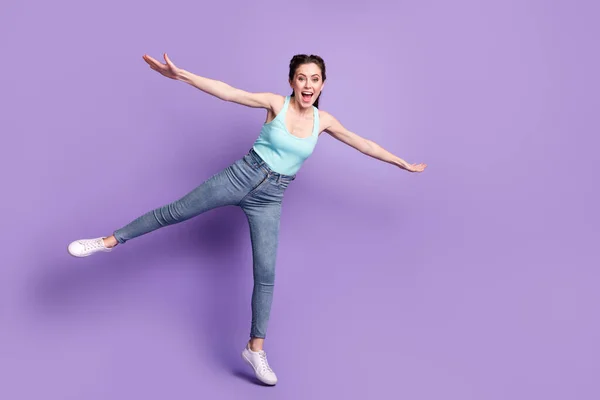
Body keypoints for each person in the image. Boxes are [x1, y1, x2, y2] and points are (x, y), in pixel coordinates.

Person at [67, 53, 427, 385]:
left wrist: (401, 163)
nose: (307, 85)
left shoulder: (324, 121)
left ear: (322, 85)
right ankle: (107, 241)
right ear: (291, 82)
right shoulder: (275, 103)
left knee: (266, 274)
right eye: (301, 78)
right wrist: (181, 76)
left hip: (271, 198)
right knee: (173, 212)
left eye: (314, 79)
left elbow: (362, 142)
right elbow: (228, 93)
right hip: (240, 175)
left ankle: (255, 350)